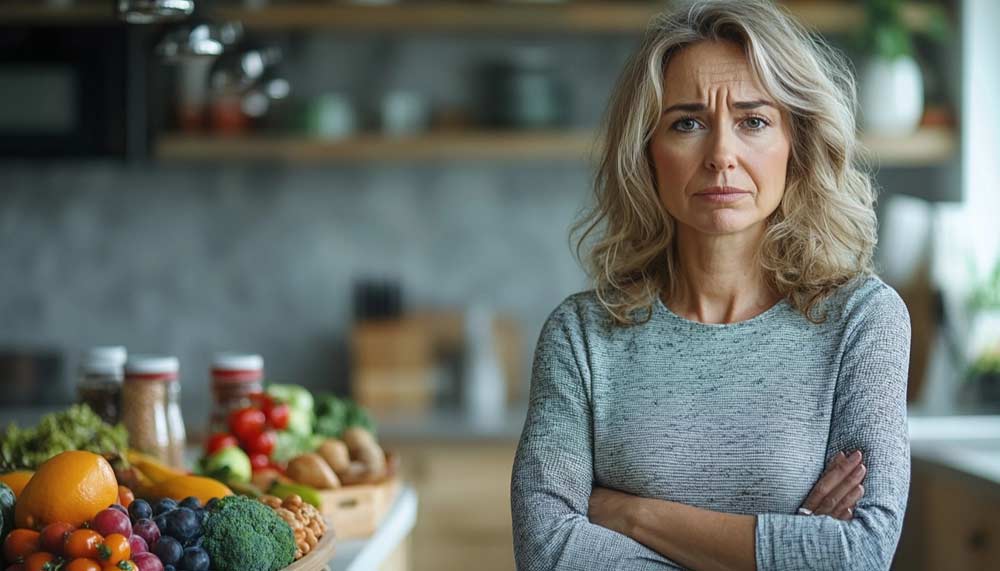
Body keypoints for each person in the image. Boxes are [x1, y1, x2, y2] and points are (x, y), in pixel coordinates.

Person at [509, 1, 911, 569]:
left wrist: (632, 515)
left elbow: (858, 554)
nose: (721, 155)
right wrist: (785, 549)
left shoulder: (862, 321)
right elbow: (548, 552)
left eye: (753, 120)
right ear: (647, 152)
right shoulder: (581, 336)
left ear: (795, 143)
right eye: (687, 123)